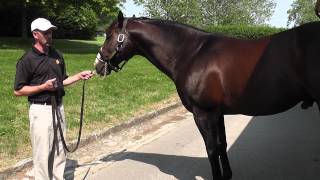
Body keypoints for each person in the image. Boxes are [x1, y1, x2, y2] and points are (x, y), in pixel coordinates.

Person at [13, 18, 94, 180]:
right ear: (35, 34)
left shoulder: (57, 55)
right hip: (40, 110)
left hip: (58, 108)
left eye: (51, 32)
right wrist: (42, 87)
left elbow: (61, 81)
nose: (50, 35)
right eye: (46, 33)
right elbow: (18, 90)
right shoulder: (27, 60)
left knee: (59, 148)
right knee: (42, 152)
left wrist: (79, 76)